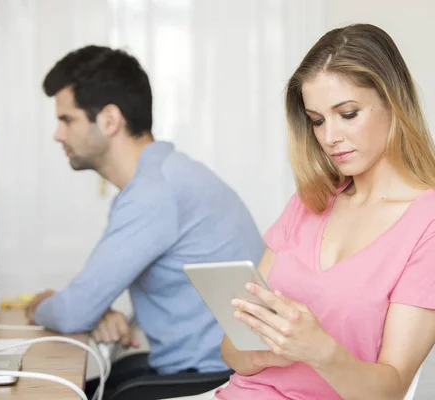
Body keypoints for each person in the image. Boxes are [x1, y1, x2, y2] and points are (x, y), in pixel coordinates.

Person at [215, 23, 435, 400]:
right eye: (317, 120)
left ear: (393, 103)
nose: (329, 137)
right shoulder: (309, 202)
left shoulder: (433, 227)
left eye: (347, 114)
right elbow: (230, 351)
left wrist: (318, 350)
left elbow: (390, 389)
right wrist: (274, 348)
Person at [24, 45, 265, 395]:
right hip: (207, 367)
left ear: (109, 120)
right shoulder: (164, 177)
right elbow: (88, 303)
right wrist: (96, 310)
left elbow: (72, 311)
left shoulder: (154, 193)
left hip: (211, 379)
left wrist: (39, 304)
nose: (57, 134)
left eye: (67, 119)